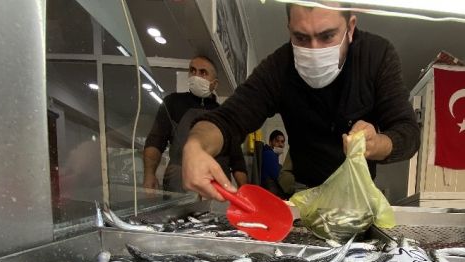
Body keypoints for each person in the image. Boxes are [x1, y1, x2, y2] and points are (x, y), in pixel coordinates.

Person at [181, 2, 419, 201]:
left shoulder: (377, 56)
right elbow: (227, 120)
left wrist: (377, 144)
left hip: (358, 195)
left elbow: (408, 132)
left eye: (327, 36)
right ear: (289, 29)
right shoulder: (278, 67)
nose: (314, 50)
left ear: (350, 27)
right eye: (301, 37)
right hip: (305, 192)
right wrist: (195, 146)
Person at [143, 56, 248, 194]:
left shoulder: (224, 115)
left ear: (215, 84)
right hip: (178, 185)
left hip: (217, 189)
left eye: (203, 72)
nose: (196, 76)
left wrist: (243, 190)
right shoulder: (173, 103)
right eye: (192, 70)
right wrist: (149, 174)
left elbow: (237, 159)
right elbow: (156, 140)